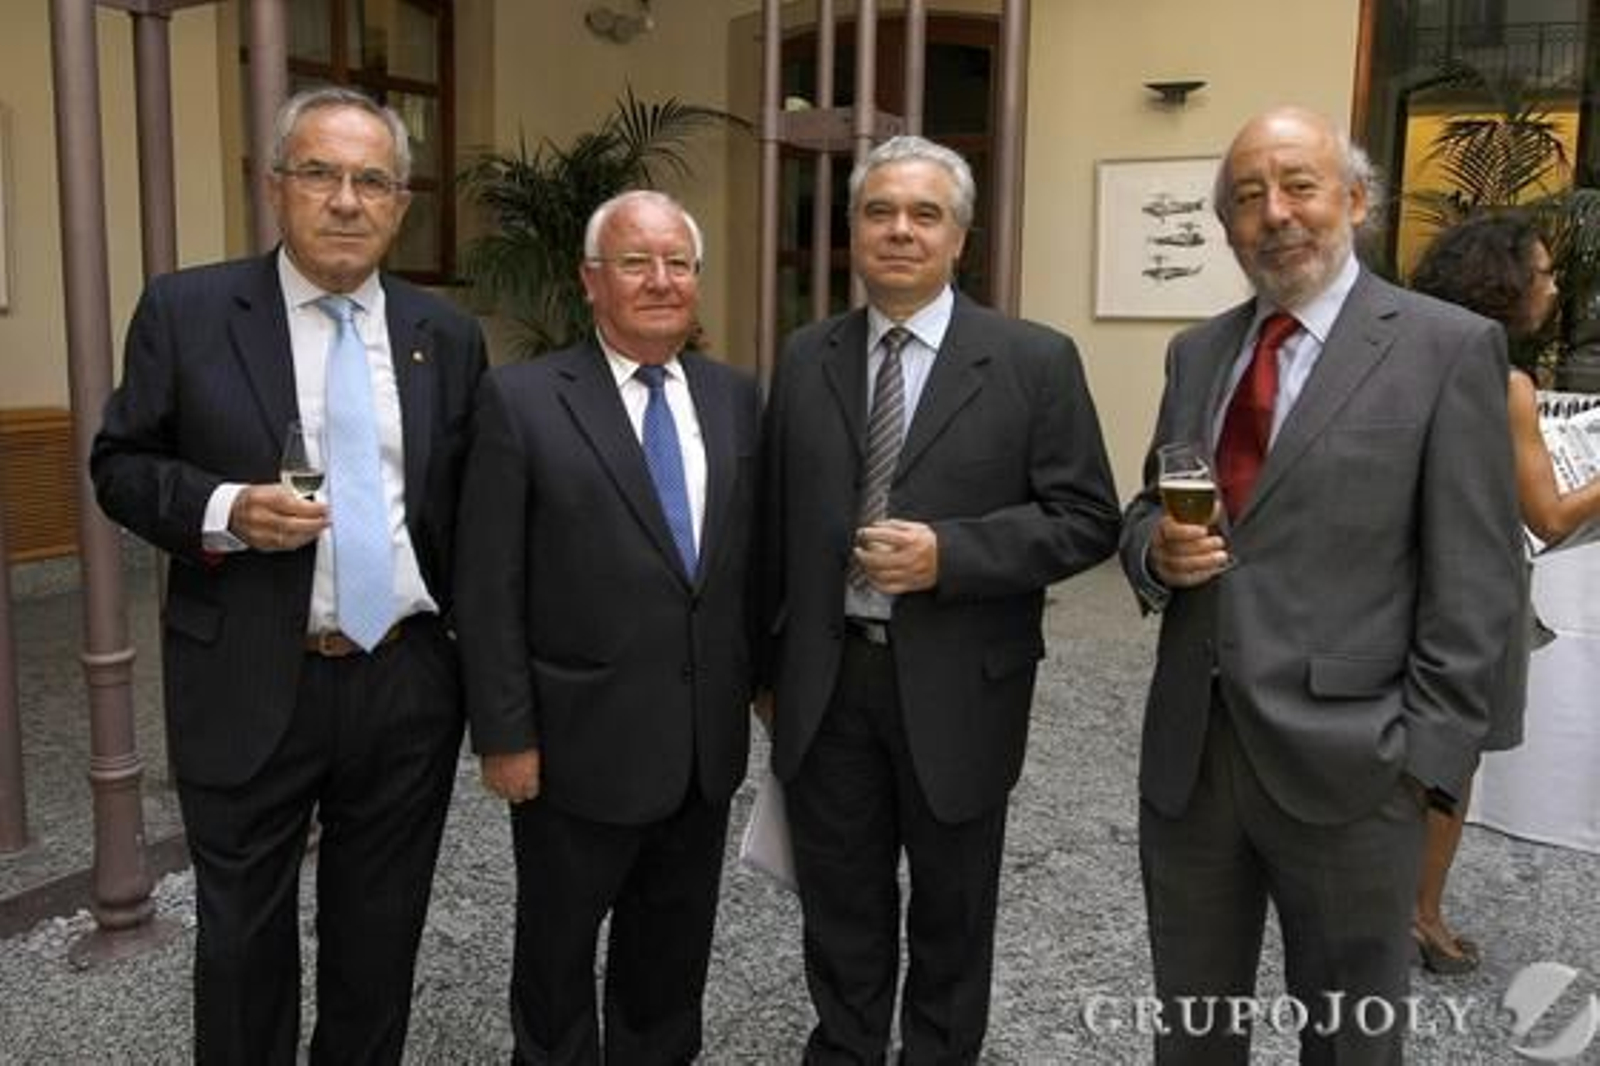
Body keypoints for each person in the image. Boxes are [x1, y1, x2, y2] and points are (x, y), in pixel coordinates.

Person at [91, 87, 486, 1063]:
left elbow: (471, 513)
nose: (345, 200)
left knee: (378, 937)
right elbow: (120, 466)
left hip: (403, 679)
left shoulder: (448, 338)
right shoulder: (186, 310)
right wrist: (225, 510)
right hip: (246, 671)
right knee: (241, 942)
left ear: (401, 203)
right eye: (319, 173)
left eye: (371, 180)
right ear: (274, 187)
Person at [1119, 107, 1522, 1064]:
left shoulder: (1446, 347)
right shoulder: (1199, 352)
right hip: (1195, 758)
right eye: (1248, 197)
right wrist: (1151, 556)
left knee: (1348, 1037)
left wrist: (1426, 762)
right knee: (1194, 1030)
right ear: (1225, 226)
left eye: (1298, 185)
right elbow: (1149, 506)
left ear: (1354, 199)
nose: (1275, 214)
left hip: (1356, 766)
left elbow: (1476, 578)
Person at [760, 135, 1121, 1063]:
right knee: (840, 902)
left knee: (954, 910)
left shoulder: (1033, 360)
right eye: (879, 212)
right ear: (851, 232)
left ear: (961, 237)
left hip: (963, 683)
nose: (900, 231)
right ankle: (844, 1048)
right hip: (829, 683)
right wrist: (767, 665)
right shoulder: (806, 357)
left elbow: (1087, 520)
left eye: (925, 215)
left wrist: (951, 555)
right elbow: (771, 524)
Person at [453, 190, 760, 1065]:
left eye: (678, 263)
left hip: (700, 749)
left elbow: (748, 566)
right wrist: (504, 736)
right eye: (636, 263)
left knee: (671, 958)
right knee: (555, 960)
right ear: (592, 281)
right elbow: (488, 584)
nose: (661, 280)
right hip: (574, 749)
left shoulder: (736, 398)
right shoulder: (521, 400)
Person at [1408, 211, 1600, 972]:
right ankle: (1421, 915)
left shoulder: (1401, 355)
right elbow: (1549, 517)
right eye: (1546, 273)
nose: (1554, 287)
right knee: (1452, 762)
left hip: (1395, 589)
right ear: (1505, 282)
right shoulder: (1504, 381)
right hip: (1474, 596)